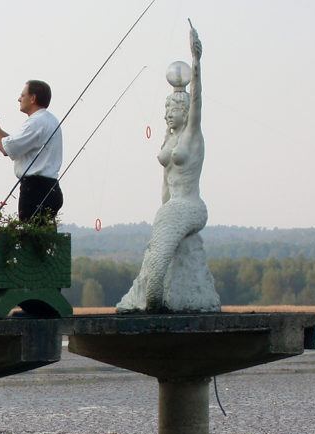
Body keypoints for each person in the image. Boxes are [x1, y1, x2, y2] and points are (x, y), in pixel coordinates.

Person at [117, 21, 216, 312]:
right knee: (158, 245)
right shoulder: (169, 138)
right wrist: (162, 210)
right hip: (171, 208)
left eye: (174, 111)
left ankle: (153, 295)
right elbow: (165, 183)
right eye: (166, 111)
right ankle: (149, 293)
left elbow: (197, 98)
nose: (169, 116)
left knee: (161, 244)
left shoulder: (192, 135)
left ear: (184, 112)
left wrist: (196, 61)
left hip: (191, 206)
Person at [0, 80, 63, 224]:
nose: (19, 99)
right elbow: (15, 143)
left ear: (33, 98)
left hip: (35, 190)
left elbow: (7, 149)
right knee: (42, 239)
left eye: (22, 95)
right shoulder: (50, 120)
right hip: (51, 188)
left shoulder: (36, 121)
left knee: (29, 238)